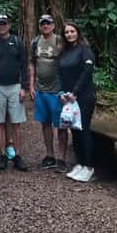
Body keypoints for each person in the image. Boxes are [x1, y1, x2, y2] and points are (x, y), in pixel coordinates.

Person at [58, 20, 97, 183]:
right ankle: (79, 164)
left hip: (84, 96)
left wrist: (75, 92)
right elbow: (59, 74)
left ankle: (89, 167)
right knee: (74, 130)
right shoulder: (65, 52)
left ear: (78, 33)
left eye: (72, 31)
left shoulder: (85, 50)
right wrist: (62, 92)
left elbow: (86, 72)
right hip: (69, 98)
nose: (69, 34)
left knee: (84, 130)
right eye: (67, 32)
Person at [29, 13, 68, 170]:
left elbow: (67, 61)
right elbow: (32, 63)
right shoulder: (35, 42)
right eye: (43, 23)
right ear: (40, 26)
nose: (46, 26)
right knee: (45, 124)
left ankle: (62, 158)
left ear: (53, 25)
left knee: (61, 124)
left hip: (57, 90)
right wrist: (31, 85)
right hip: (41, 89)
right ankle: (50, 155)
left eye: (48, 23)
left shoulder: (60, 40)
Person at [0, 13, 29, 171]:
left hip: (14, 86)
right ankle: (2, 155)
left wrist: (24, 87)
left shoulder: (16, 41)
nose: (1, 26)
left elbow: (24, 65)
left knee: (16, 123)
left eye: (4, 23)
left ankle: (18, 156)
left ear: (9, 25)